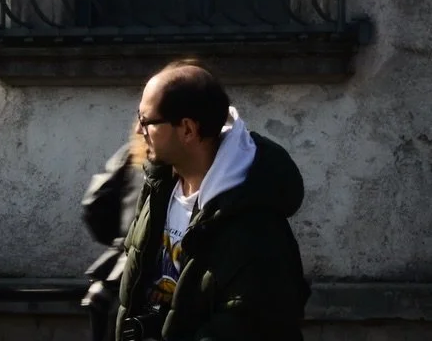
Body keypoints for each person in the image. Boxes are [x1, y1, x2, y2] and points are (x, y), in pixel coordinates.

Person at [112, 60, 307, 341]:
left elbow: (247, 325)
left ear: (188, 130)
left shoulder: (253, 224)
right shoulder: (160, 185)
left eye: (146, 121)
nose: (139, 131)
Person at [80, 132, 146, 341]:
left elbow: (95, 204)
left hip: (119, 269)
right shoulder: (188, 161)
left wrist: (118, 242)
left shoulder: (134, 152)